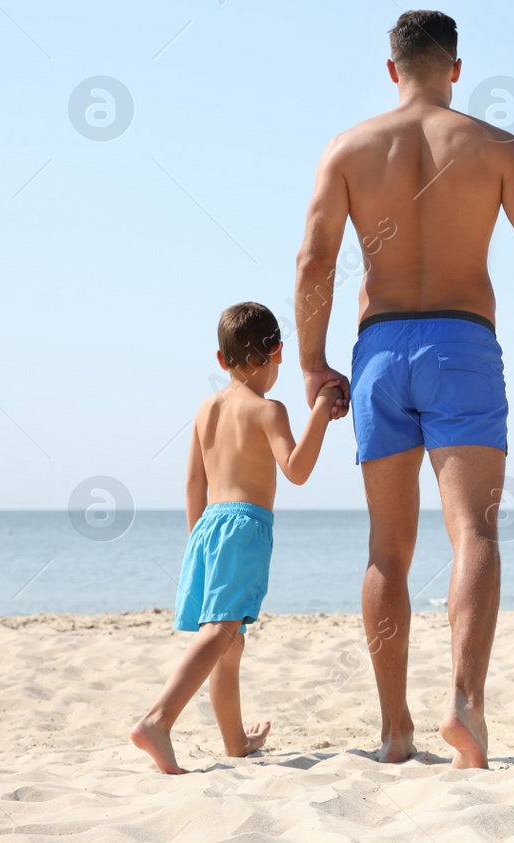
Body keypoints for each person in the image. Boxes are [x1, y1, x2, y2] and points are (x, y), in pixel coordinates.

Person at [294, 10, 514, 768]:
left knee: (386, 551)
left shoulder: (348, 148)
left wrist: (312, 362)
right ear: (457, 68)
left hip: (380, 349)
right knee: (476, 532)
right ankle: (465, 703)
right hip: (460, 341)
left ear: (391, 69)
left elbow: (313, 262)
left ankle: (395, 728)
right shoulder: (494, 147)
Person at [131, 302, 343, 774]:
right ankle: (157, 721)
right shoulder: (269, 410)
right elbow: (298, 470)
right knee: (221, 632)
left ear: (221, 359)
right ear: (278, 352)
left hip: (206, 525)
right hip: (245, 526)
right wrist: (323, 410)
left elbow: (193, 483)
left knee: (231, 644)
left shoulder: (207, 409)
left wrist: (196, 542)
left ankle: (234, 743)